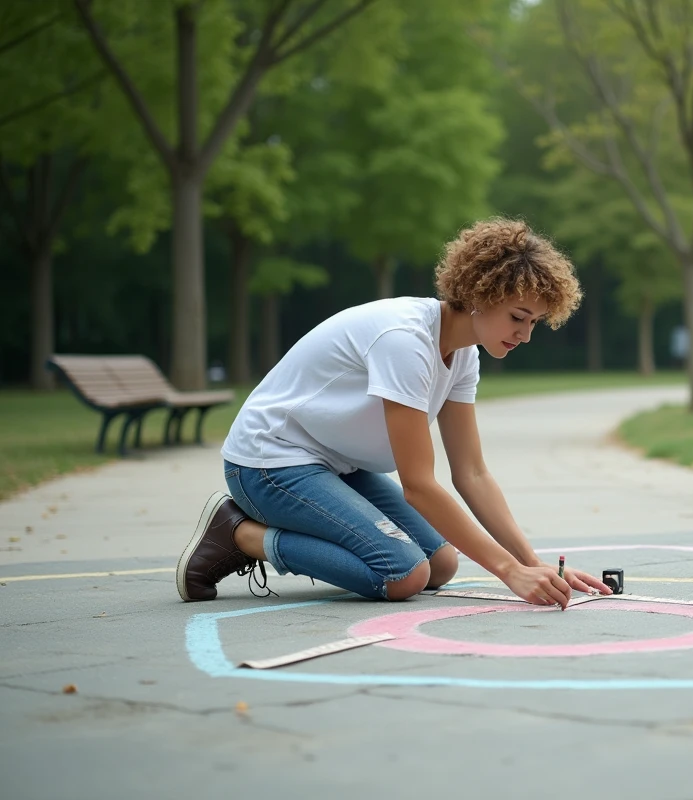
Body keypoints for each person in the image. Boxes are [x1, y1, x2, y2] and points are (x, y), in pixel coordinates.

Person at [175, 218, 611, 609]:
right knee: (402, 573)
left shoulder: (463, 356)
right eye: (519, 317)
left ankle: (265, 532)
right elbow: (419, 486)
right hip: (270, 463)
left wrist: (533, 564)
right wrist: (509, 571)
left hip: (336, 466)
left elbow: (472, 474)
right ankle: (239, 533)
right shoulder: (405, 340)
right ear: (480, 294)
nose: (526, 334)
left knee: (440, 565)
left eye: (535, 321)